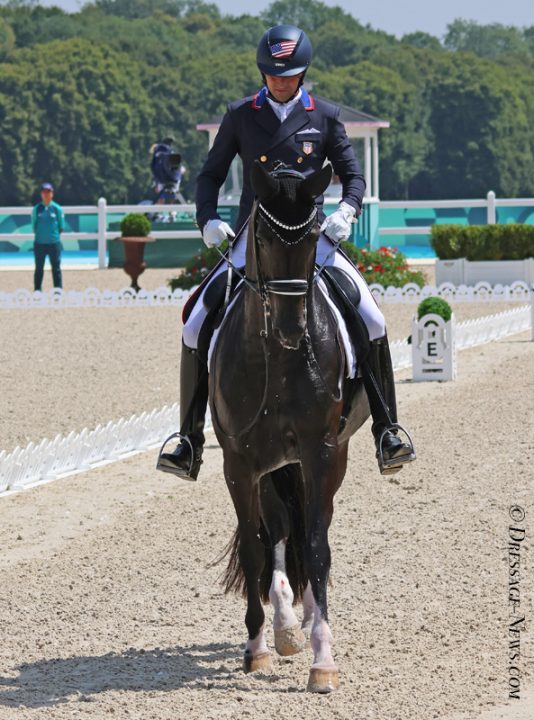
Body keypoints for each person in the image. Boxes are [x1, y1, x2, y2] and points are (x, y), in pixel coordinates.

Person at [157, 24, 416, 479]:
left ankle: (387, 430)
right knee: (196, 322)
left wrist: (347, 211)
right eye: (272, 74)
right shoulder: (240, 115)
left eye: (289, 74)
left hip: (312, 240)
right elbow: (209, 175)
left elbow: (354, 176)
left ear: (303, 73)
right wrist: (208, 220)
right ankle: (189, 440)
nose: (280, 81)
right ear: (262, 72)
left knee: (372, 317)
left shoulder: (326, 116)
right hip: (253, 241)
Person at [32, 182, 64, 292]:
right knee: (39, 268)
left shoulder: (57, 209)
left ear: (52, 194)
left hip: (54, 244)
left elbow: (61, 226)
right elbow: (34, 226)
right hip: (39, 244)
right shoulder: (37, 209)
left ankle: (58, 291)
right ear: (41, 194)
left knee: (56, 269)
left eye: (48, 192)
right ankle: (37, 290)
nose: (46, 194)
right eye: (44, 192)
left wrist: (52, 237)